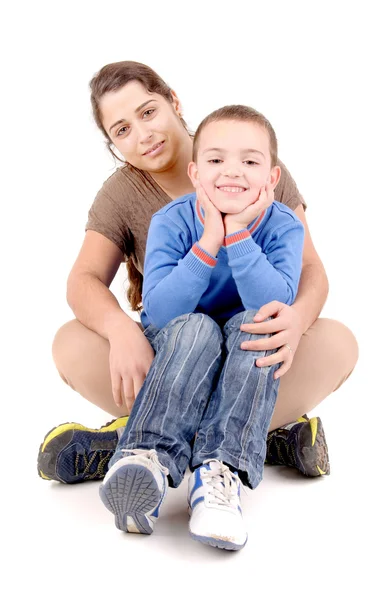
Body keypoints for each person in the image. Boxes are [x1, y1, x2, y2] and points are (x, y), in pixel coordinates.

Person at [37, 60, 358, 485]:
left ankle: (145, 442)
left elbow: (310, 267)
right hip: (176, 355)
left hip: (254, 352)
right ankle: (261, 438)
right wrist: (120, 328)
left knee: (338, 342)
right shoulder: (122, 195)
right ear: (114, 145)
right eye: (122, 130)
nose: (143, 134)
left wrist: (297, 320)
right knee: (70, 343)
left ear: (174, 101)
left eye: (148, 112)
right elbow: (83, 280)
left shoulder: (251, 163)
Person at [99, 104, 305, 550]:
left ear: (272, 178)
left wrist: (239, 235)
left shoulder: (284, 225)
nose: (232, 172)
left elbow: (274, 303)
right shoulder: (172, 220)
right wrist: (211, 239)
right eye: (216, 160)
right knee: (196, 327)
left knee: (259, 324)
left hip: (243, 357)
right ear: (195, 173)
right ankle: (148, 458)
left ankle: (218, 473)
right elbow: (163, 311)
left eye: (250, 161)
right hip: (180, 346)